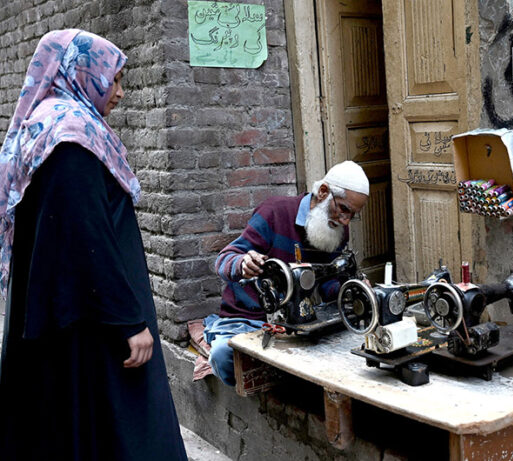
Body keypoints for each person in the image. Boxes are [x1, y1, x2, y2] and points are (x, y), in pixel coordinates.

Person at [0, 30, 187, 460]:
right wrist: (129, 321)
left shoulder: (45, 123)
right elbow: (89, 237)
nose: (119, 92)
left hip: (69, 312)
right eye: (114, 79)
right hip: (93, 323)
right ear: (80, 72)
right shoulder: (71, 136)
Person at [205, 161, 370, 385]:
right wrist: (242, 263)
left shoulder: (338, 230)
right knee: (224, 356)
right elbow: (224, 259)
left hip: (297, 323)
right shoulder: (274, 213)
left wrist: (350, 290)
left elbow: (327, 283)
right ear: (323, 192)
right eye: (343, 209)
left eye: (352, 215)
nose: (345, 220)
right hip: (251, 320)